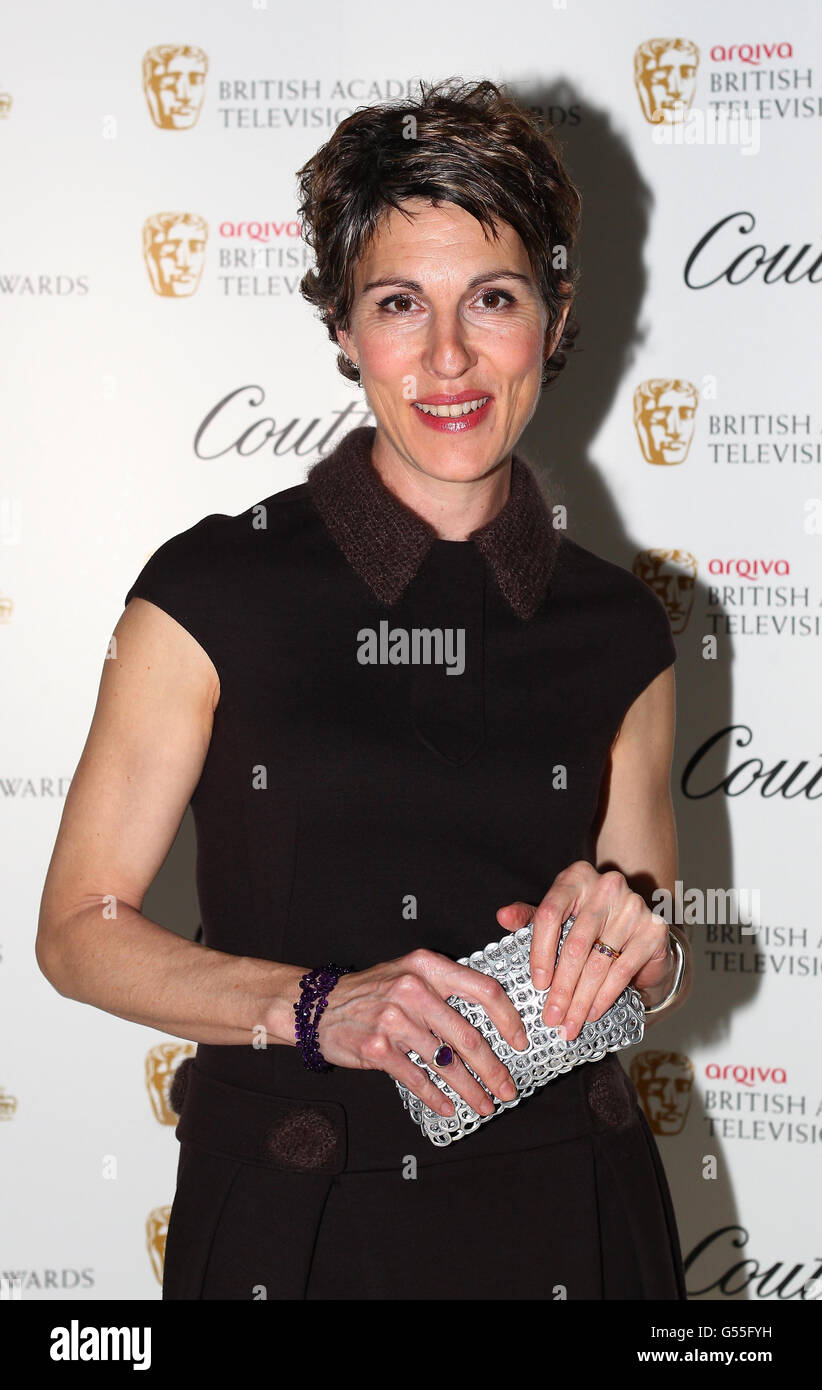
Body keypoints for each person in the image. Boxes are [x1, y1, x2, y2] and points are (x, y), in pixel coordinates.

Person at [36, 76, 692, 1301]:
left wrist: (638, 948)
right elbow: (78, 934)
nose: (449, 358)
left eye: (492, 299)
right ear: (343, 328)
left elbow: (647, 954)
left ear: (552, 320)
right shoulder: (209, 588)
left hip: (581, 1215)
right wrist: (318, 1004)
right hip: (304, 1221)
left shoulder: (621, 625)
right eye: (400, 304)